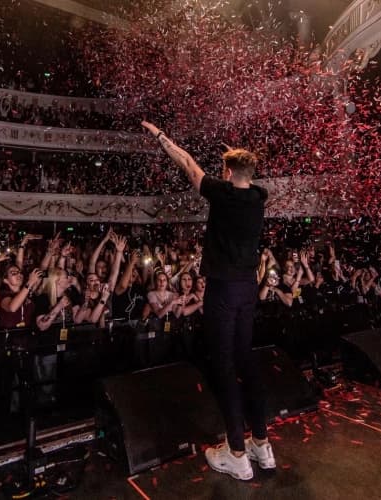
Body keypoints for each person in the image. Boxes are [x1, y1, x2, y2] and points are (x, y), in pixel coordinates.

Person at [142, 120, 275, 481]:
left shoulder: (221, 192)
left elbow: (186, 162)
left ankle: (236, 454)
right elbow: (241, 173)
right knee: (246, 360)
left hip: (223, 289)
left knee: (225, 366)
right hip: (248, 287)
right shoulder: (258, 196)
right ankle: (262, 445)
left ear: (228, 172)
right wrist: (235, 160)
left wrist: (160, 135)